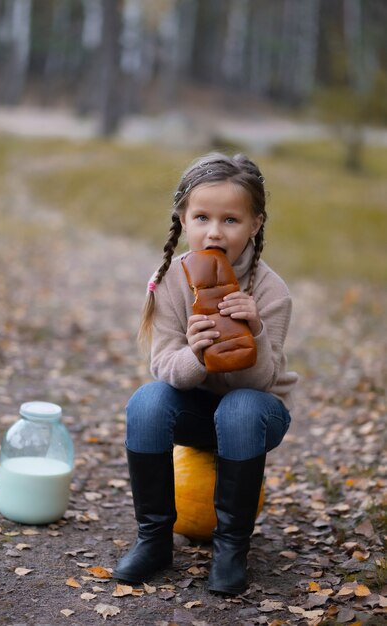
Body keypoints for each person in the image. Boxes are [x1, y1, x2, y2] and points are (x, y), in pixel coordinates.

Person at [113, 152, 298, 595]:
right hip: (195, 410)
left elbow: (260, 383)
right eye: (202, 217)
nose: (215, 231)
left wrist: (252, 332)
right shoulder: (171, 281)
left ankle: (231, 548)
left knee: (239, 407)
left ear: (255, 224)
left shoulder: (271, 292)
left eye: (231, 220)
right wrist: (197, 353)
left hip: (258, 412)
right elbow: (165, 368)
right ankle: (154, 540)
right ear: (183, 217)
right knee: (147, 401)